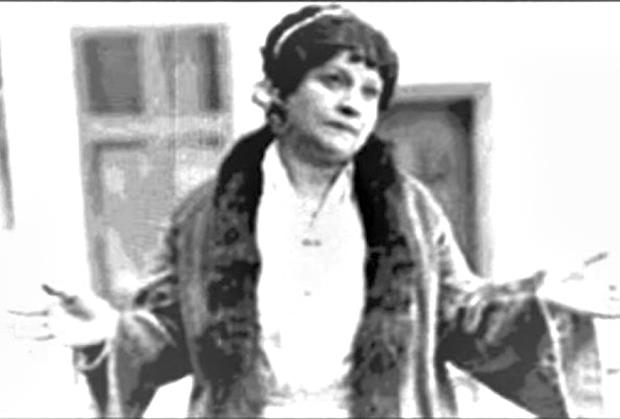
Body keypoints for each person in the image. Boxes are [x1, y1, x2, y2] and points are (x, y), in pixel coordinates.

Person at [12, 3, 620, 418]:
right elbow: (170, 330)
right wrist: (110, 332)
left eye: (370, 92)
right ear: (276, 93)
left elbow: (460, 317)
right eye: (333, 81)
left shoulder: (411, 210)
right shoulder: (205, 214)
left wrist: (540, 298)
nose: (354, 104)